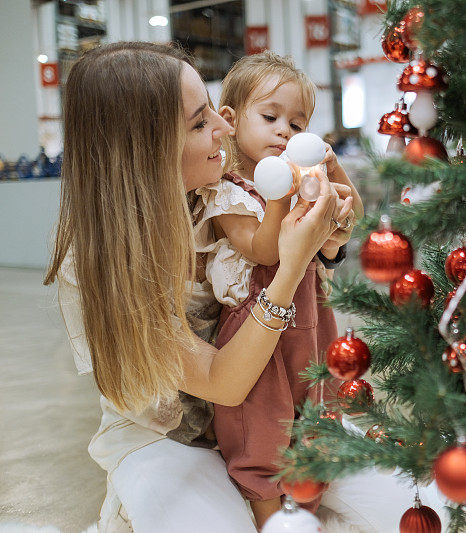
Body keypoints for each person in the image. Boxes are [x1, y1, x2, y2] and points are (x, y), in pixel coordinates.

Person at [43, 42, 354, 532]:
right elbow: (223, 383)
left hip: (271, 412)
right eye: (198, 122)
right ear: (144, 149)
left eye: (213, 108)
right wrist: (291, 268)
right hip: (172, 437)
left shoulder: (220, 190)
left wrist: (331, 242)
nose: (226, 127)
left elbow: (293, 264)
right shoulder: (97, 265)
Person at [193, 50, 363, 526]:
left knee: (318, 411)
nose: (285, 131)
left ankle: (306, 508)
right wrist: (278, 197)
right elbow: (264, 252)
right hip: (256, 326)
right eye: (270, 117)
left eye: (298, 122)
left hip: (312, 317)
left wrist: (333, 175)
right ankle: (270, 517)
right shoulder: (225, 190)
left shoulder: (301, 178)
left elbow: (345, 227)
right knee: (263, 429)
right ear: (230, 119)